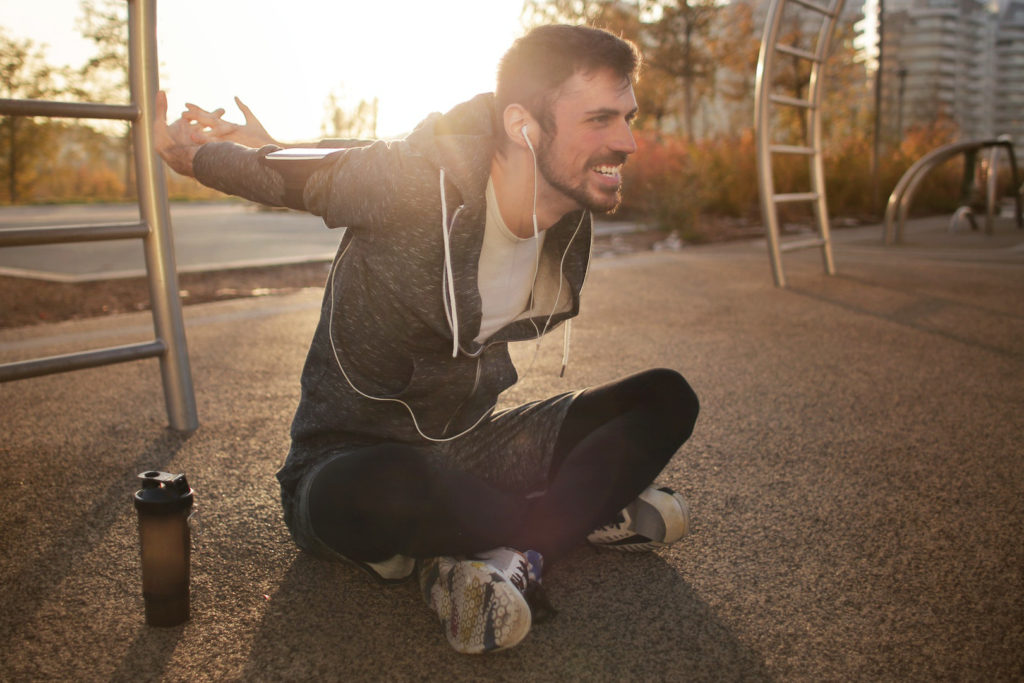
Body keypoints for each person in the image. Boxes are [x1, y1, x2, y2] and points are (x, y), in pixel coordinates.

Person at [155, 24, 699, 655]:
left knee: (666, 397)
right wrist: (195, 156)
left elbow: (360, 149)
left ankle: (500, 554)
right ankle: (573, 514)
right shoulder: (416, 184)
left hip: (473, 444)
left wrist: (280, 142)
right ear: (523, 124)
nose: (626, 142)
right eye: (600, 119)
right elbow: (320, 176)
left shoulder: (570, 205)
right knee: (376, 488)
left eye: (627, 117)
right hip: (350, 462)